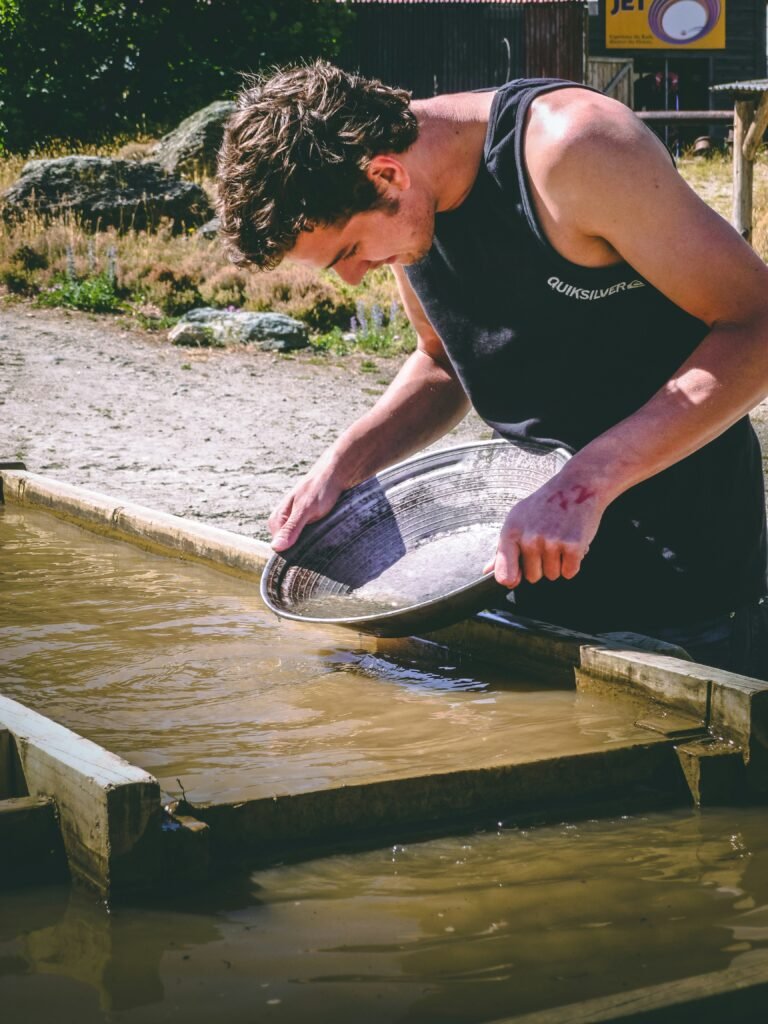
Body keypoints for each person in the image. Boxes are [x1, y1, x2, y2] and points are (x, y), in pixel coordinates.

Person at [216, 60, 768, 678]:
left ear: (386, 174)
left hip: (686, 569)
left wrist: (583, 484)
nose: (350, 276)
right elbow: (442, 361)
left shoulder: (574, 148)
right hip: (523, 560)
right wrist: (342, 466)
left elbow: (757, 325)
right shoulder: (404, 202)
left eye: (347, 251)